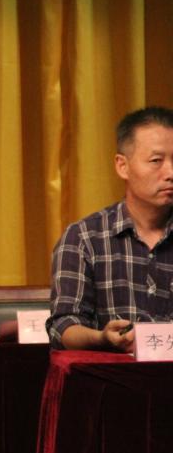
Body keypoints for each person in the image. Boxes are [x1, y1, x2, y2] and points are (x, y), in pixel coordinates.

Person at [47, 106, 173, 351]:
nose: (170, 172)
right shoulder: (83, 238)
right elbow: (63, 326)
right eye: (156, 161)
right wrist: (102, 338)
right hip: (113, 372)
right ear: (122, 166)